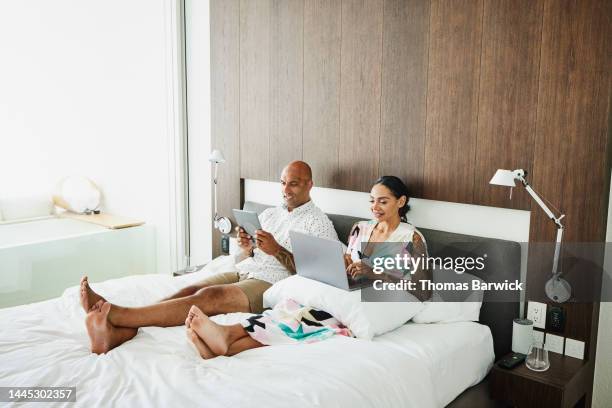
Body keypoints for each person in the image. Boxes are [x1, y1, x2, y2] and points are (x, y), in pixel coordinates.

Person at [80, 160, 337, 354]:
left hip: (271, 283)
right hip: (247, 269)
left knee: (208, 298)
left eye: (293, 183)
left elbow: (321, 273)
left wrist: (277, 251)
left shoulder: (319, 223)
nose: (286, 189)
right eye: (283, 182)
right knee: (191, 287)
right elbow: (241, 256)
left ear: (309, 185)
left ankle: (118, 316)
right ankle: (127, 327)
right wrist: (247, 246)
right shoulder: (271, 214)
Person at [183, 175, 432, 359]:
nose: (375, 207)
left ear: (401, 202)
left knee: (308, 320)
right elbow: (349, 258)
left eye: (383, 201)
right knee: (288, 309)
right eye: (372, 201)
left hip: (367, 294)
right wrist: (343, 262)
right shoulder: (361, 228)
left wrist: (372, 272)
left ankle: (229, 340)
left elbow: (421, 289)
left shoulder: (411, 237)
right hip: (342, 286)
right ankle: (226, 342)